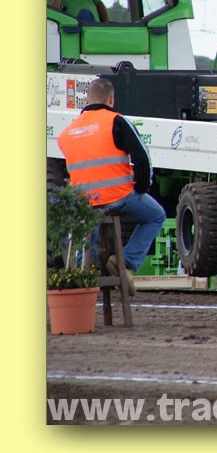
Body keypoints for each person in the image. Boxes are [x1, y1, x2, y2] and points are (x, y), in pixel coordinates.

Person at [56, 78, 166, 294]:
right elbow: (142, 158)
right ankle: (125, 262)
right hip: (120, 197)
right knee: (156, 216)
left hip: (85, 204)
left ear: (86, 100)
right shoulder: (117, 122)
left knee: (88, 229)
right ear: (111, 99)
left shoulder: (67, 134)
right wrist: (142, 187)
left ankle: (84, 273)